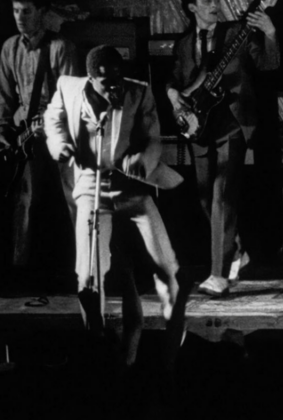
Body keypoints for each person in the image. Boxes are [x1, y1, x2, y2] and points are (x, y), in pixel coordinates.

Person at [43, 46, 183, 364]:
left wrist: (143, 160)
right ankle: (96, 341)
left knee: (166, 266)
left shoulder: (139, 92)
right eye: (107, 82)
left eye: (118, 79)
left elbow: (153, 138)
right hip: (91, 188)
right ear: (91, 78)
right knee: (88, 276)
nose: (115, 87)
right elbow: (53, 118)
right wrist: (59, 145)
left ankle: (174, 342)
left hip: (131, 188)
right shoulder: (68, 87)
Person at [166, 0, 280, 297]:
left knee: (223, 196)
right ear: (191, 7)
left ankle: (218, 275)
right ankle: (237, 251)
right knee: (205, 197)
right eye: (207, 0)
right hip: (199, 124)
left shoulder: (236, 34)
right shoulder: (183, 43)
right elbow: (175, 78)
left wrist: (270, 33)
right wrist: (173, 94)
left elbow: (268, 63)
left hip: (232, 121)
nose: (215, 4)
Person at [0, 0, 79, 280]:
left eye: (26, 11)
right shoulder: (10, 48)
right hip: (25, 133)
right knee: (24, 199)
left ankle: (85, 265)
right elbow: (4, 95)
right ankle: (19, 270)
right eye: (16, 11)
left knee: (73, 196)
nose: (20, 17)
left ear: (42, 12)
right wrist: (1, 130)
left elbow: (71, 96)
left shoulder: (61, 47)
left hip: (60, 131)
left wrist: (52, 120)